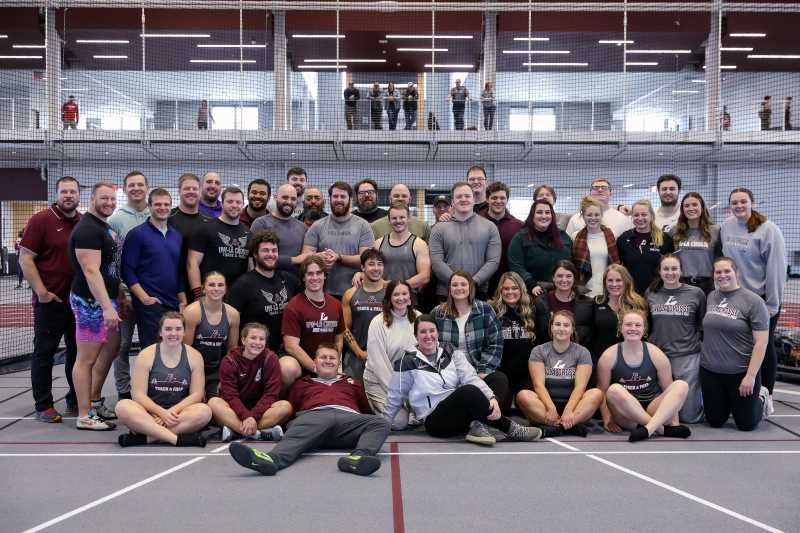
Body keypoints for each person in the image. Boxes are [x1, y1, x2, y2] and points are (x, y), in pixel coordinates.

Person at [229, 343, 389, 477]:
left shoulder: (353, 383)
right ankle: (271, 460)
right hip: (313, 419)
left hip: (347, 422)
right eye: (323, 357)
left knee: (380, 422)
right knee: (299, 425)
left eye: (332, 358)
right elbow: (291, 411)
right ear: (315, 362)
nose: (328, 361)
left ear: (338, 363)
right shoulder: (301, 384)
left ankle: (358, 458)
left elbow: (366, 411)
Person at [384, 315, 542, 445]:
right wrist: (383, 425)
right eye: (423, 332)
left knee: (498, 379)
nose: (428, 336)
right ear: (416, 336)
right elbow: (395, 395)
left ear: (437, 332)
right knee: (467, 391)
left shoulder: (450, 351)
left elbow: (470, 376)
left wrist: (492, 397)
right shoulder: (407, 361)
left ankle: (478, 424)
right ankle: (510, 428)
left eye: (432, 331)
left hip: (460, 411)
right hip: (436, 421)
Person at [19, 176, 81, 422]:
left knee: (77, 354)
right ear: (57, 195)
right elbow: (25, 258)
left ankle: (75, 399)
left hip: (78, 304)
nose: (68, 196)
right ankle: (43, 405)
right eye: (64, 191)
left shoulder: (83, 222)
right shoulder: (41, 220)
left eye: (73, 192)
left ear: (78, 195)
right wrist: (42, 292)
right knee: (44, 353)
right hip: (50, 303)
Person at [721, 187, 785, 405]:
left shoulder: (768, 230)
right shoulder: (727, 226)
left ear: (752, 203)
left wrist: (772, 304)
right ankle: (741, 393)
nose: (739, 206)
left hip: (762, 299)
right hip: (736, 298)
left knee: (763, 347)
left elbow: (776, 268)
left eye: (743, 202)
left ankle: (767, 396)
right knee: (740, 345)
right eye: (735, 203)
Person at [68, 182, 125, 430]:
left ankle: (94, 401)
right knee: (86, 360)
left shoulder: (104, 226)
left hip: (107, 300)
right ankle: (84, 415)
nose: (109, 203)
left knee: (110, 350)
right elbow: (91, 271)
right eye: (104, 199)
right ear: (92, 199)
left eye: (112, 199)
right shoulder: (87, 230)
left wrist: (118, 293)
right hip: (90, 304)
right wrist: (106, 307)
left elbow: (108, 267)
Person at [115, 312, 211, 447]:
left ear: (184, 332)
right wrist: (159, 413)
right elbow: (138, 395)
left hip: (178, 415)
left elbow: (197, 394)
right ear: (160, 332)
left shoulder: (195, 356)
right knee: (122, 406)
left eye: (178, 329)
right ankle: (176, 439)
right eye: (168, 329)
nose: (173, 333)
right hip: (149, 414)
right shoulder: (146, 355)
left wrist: (170, 413)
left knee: (204, 411)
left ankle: (147, 438)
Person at [597, 310, 691, 442]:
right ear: (620, 328)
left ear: (644, 329)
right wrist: (607, 419)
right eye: (628, 324)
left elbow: (668, 390)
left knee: (681, 385)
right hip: (627, 415)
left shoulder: (656, 354)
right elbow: (602, 392)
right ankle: (661, 430)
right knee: (614, 390)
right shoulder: (609, 356)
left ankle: (648, 429)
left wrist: (674, 423)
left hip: (654, 409)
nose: (633, 329)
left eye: (637, 325)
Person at [701, 257, 770, 431]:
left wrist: (751, 376)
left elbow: (761, 342)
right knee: (715, 421)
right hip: (711, 372)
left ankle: (761, 396)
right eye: (718, 272)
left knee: (746, 425)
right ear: (713, 275)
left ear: (736, 273)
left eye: (727, 271)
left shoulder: (754, 302)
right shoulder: (711, 296)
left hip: (741, 374)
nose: (722, 275)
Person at [431, 271, 510, 411]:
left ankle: (484, 419)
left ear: (470, 287)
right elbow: (429, 342)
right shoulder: (438, 312)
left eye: (463, 284)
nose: (459, 288)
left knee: (499, 379)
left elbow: (495, 343)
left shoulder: (484, 310)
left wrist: (483, 369)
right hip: (449, 371)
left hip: (478, 368)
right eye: (454, 285)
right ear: (449, 289)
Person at [517, 310, 603, 437]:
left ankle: (556, 427)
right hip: (545, 405)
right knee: (523, 395)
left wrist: (569, 410)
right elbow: (538, 385)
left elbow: (580, 387)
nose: (561, 329)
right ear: (551, 328)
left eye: (566, 325)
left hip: (574, 406)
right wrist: (551, 408)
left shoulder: (582, 352)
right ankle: (568, 426)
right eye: (557, 324)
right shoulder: (539, 351)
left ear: (572, 329)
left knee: (596, 394)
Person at [121, 188, 184, 349]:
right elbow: (127, 271)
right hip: (150, 306)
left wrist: (182, 300)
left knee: (172, 350)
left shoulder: (176, 236)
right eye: (158, 204)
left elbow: (178, 271)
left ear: (171, 207)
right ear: (149, 207)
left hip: (173, 305)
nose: (162, 208)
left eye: (166, 204)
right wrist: (144, 298)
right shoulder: (137, 235)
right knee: (152, 351)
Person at [646, 254, 706, 423]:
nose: (670, 273)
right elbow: (648, 324)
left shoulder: (696, 293)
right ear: (660, 271)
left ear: (681, 271)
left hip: (687, 356)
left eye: (674, 269)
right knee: (662, 414)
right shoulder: (651, 293)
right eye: (666, 269)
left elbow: (701, 324)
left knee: (689, 417)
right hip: (659, 357)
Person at [209, 322, 293, 441]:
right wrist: (246, 416)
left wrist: (252, 416)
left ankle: (237, 431)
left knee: (286, 406)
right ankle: (258, 434)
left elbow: (271, 394)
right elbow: (230, 396)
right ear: (243, 340)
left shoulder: (271, 359)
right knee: (214, 403)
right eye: (253, 338)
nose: (257, 343)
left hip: (262, 410)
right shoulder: (229, 361)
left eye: (261, 339)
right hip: (235, 409)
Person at [108, 171, 150, 404]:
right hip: (123, 295)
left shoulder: (155, 214)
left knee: (150, 344)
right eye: (131, 185)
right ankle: (123, 390)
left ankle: (148, 389)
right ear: (125, 189)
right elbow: (111, 259)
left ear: (147, 187)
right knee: (121, 345)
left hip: (151, 294)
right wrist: (117, 290)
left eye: (140, 185)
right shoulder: (115, 220)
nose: (136, 188)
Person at [227, 230, 300, 354]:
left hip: (285, 349)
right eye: (265, 250)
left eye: (274, 250)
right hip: (254, 350)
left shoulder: (289, 280)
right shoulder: (242, 285)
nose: (270, 254)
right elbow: (231, 324)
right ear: (255, 254)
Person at [429, 181, 501, 300]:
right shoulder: (438, 229)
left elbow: (493, 261)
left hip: (478, 291)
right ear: (452, 202)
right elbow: (436, 263)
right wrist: (457, 284)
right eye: (459, 196)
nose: (463, 199)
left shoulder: (490, 227)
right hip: (446, 293)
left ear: (473, 199)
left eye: (467, 196)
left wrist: (473, 282)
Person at [302, 181, 374, 298]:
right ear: (330, 199)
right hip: (323, 294)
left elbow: (367, 259)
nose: (339, 199)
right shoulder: (317, 226)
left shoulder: (363, 226)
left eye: (343, 196)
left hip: (355, 294)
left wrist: (339, 257)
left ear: (350, 199)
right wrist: (318, 257)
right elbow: (305, 256)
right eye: (335, 196)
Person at [281, 256, 345, 386]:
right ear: (304, 277)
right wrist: (317, 369)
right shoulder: (294, 306)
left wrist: (334, 364)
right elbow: (291, 346)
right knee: (287, 367)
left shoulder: (336, 304)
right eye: (310, 274)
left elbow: (339, 338)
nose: (315, 278)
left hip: (326, 362)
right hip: (301, 363)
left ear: (324, 276)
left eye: (318, 273)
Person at [363, 280, 420, 420]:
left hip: (409, 382)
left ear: (410, 297)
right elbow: (378, 364)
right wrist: (400, 395)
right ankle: (368, 404)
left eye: (404, 293)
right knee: (399, 421)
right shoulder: (378, 322)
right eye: (396, 294)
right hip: (380, 381)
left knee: (427, 413)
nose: (401, 298)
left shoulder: (419, 317)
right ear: (389, 298)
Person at [183, 271, 240, 399]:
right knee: (197, 403)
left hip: (216, 371)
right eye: (212, 285)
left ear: (225, 289)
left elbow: (232, 350)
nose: (216, 289)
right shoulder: (192, 312)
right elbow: (185, 350)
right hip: (193, 369)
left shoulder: (233, 314)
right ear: (203, 289)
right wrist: (195, 383)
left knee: (218, 402)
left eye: (220, 285)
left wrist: (224, 378)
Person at [188, 186, 251, 295]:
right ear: (222, 203)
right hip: (211, 294)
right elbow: (192, 263)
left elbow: (250, 268)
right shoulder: (205, 229)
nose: (234, 205)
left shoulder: (248, 234)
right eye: (230, 201)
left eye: (238, 202)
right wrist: (198, 295)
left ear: (242, 205)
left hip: (238, 295)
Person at [508, 199, 573, 298]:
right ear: (532, 216)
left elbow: (571, 264)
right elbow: (516, 266)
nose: (544, 216)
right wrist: (531, 284)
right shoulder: (520, 238)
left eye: (547, 212)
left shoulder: (563, 237)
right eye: (539, 212)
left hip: (562, 291)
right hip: (533, 292)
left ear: (552, 216)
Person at [589, 264, 648, 369]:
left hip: (630, 361)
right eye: (610, 280)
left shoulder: (638, 304)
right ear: (604, 282)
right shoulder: (597, 302)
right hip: (602, 359)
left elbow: (646, 333)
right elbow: (592, 333)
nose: (614, 284)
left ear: (626, 281)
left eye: (618, 280)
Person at [489, 272, 537, 397]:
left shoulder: (533, 309)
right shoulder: (491, 310)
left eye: (514, 288)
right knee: (500, 408)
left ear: (521, 289)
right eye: (506, 288)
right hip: (501, 373)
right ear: (500, 290)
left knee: (526, 403)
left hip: (526, 373)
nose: (510, 292)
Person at [341, 250, 387, 379]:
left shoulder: (391, 294)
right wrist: (359, 353)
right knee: (354, 395)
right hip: (356, 356)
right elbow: (344, 329)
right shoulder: (350, 294)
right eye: (371, 264)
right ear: (362, 267)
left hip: (384, 355)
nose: (376, 268)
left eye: (380, 264)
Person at [169, 173, 211, 304]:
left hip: (200, 289)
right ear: (179, 191)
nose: (191, 192)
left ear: (200, 192)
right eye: (187, 189)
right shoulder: (168, 218)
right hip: (172, 286)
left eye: (195, 189)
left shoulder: (209, 222)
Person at [617, 199, 674, 295]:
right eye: (636, 215)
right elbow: (618, 268)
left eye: (644, 214)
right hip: (631, 295)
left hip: (658, 294)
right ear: (632, 217)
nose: (640, 218)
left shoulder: (665, 239)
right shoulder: (624, 238)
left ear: (651, 216)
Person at [250, 183, 309, 275]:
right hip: (267, 283)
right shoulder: (261, 223)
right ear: (276, 197)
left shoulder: (303, 227)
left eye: (293, 199)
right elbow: (257, 257)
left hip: (295, 284)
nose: (289, 202)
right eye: (285, 197)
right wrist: (295, 260)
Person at [532, 260, 593, 345]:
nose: (564, 280)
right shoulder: (540, 302)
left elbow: (590, 333)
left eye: (568, 276)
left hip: (578, 354)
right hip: (547, 354)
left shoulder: (587, 303)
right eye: (560, 276)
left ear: (574, 278)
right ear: (553, 278)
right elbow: (536, 333)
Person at [478, 181, 524, 295]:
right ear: (487, 199)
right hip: (482, 283)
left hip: (509, 285)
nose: (498, 201)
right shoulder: (476, 222)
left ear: (507, 200)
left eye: (502, 198)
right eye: (494, 198)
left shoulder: (518, 225)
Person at [671, 192, 721, 294]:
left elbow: (720, 259)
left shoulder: (715, 231)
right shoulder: (674, 231)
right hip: (681, 283)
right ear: (682, 209)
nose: (691, 208)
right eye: (687, 206)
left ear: (702, 207)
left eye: (695, 205)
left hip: (707, 285)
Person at [375, 202, 431, 292]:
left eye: (402, 217)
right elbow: (372, 271)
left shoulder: (419, 244)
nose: (398, 221)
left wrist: (399, 287)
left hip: (409, 297)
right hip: (383, 296)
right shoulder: (378, 244)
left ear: (408, 219)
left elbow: (425, 276)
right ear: (389, 221)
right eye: (394, 218)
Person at [572, 195, 621, 298]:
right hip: (584, 292)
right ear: (583, 215)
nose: (593, 218)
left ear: (601, 215)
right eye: (589, 215)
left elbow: (617, 265)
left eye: (597, 215)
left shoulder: (612, 235)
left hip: (608, 291)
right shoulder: (575, 236)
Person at [566, 178, 632, 238]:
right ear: (590, 193)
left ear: (611, 193)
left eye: (604, 187)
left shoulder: (622, 218)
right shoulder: (576, 218)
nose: (600, 190)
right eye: (595, 188)